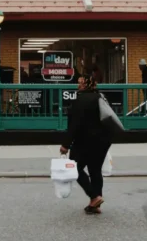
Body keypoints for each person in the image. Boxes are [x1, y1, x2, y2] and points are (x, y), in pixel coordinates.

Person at [59, 75, 112, 215]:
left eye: (80, 83)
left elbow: (74, 125)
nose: (78, 85)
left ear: (85, 85)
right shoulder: (101, 97)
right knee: (95, 170)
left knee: (73, 167)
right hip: (103, 141)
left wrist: (65, 144)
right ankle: (95, 205)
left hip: (85, 141)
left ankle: (94, 197)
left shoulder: (80, 99)